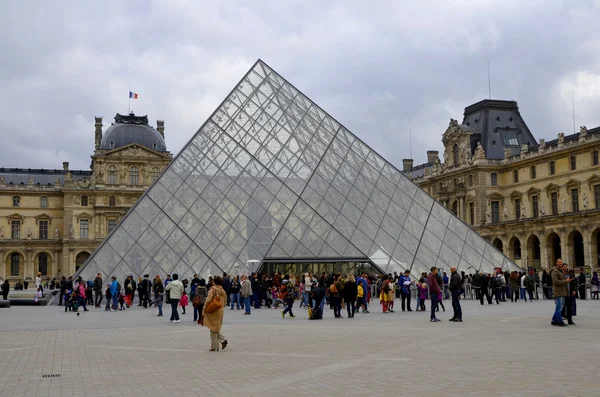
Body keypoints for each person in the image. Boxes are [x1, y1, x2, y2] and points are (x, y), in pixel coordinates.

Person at [201, 276, 227, 352]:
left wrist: (204, 310)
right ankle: (222, 341)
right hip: (220, 310)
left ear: (214, 282)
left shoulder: (212, 290)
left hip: (213, 310)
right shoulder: (222, 290)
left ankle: (215, 346)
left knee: (212, 327)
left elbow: (208, 301)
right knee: (215, 327)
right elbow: (225, 301)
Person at [550, 259, 570, 327]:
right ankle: (560, 322)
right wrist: (565, 281)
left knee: (560, 307)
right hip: (558, 291)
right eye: (559, 262)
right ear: (556, 263)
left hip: (562, 291)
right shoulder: (555, 271)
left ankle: (553, 320)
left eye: (561, 262)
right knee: (559, 308)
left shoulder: (560, 270)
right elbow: (555, 282)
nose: (561, 263)